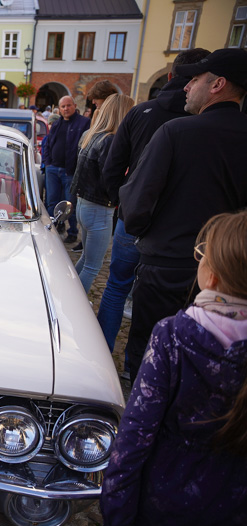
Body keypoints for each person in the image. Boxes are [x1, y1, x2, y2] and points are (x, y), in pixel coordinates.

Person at [100, 210, 247, 526]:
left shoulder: (174, 337)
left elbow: (134, 437)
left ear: (211, 274)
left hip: (165, 505)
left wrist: (117, 511)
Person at [119, 48, 247, 380]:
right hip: (229, 272)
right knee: (210, 367)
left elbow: (136, 202)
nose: (186, 87)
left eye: (194, 79)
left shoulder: (177, 132)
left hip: (168, 265)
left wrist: (146, 231)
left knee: (150, 360)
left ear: (217, 84)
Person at [97, 48, 210, 358]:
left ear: (171, 76)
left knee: (117, 285)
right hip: (182, 230)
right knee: (178, 299)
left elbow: (111, 167)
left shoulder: (142, 112)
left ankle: (105, 354)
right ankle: (159, 362)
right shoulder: (203, 118)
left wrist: (123, 207)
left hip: (132, 220)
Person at [71, 94, 134, 292]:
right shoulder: (110, 140)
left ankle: (70, 297)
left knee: (86, 260)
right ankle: (75, 309)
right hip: (98, 207)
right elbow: (110, 177)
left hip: (85, 203)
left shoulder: (93, 135)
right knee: (92, 266)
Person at [41, 96, 91, 243]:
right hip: (53, 169)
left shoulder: (83, 123)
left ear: (74, 106)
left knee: (70, 204)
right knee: (51, 202)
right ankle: (52, 230)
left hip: (70, 171)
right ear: (59, 108)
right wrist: (48, 163)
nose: (66, 109)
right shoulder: (57, 124)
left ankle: (73, 232)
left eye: (68, 106)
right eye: (63, 106)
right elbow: (48, 144)